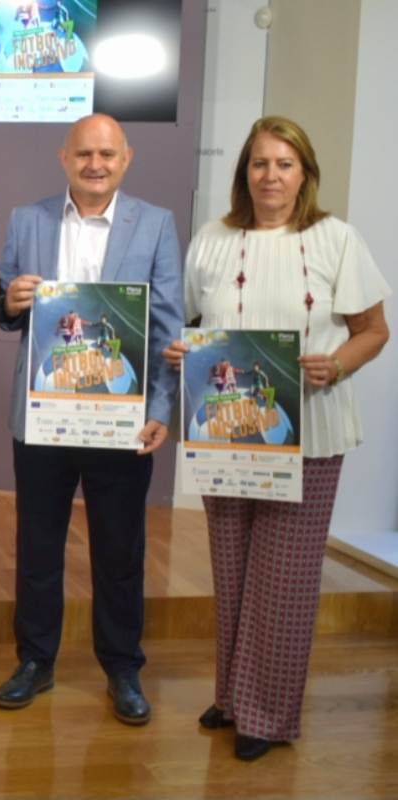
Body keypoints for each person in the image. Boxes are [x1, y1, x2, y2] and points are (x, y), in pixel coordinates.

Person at [162, 116, 389, 761]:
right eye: (260, 164)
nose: (271, 176)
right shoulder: (212, 237)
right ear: (244, 174)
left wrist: (338, 362)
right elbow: (191, 323)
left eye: (285, 164)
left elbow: (374, 329)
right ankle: (233, 696)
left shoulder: (334, 238)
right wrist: (182, 347)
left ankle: (267, 712)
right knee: (231, 567)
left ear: (305, 174)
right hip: (226, 429)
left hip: (308, 429)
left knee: (283, 576)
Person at [0, 113, 182, 725]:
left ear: (126, 159)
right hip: (45, 417)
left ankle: (123, 667)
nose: (94, 164)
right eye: (83, 154)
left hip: (120, 418)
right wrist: (9, 301)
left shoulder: (154, 225)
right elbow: (5, 309)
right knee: (37, 545)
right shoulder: (29, 219)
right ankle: (35, 661)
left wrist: (159, 408)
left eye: (106, 154)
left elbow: (167, 325)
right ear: (63, 157)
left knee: (120, 551)